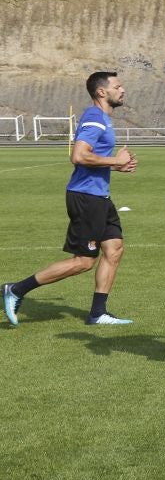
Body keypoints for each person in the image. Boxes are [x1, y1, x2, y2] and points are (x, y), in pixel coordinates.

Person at [3, 72, 138, 327]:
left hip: (100, 196)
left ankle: (98, 313)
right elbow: (78, 156)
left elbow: (92, 158)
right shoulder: (95, 117)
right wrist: (115, 161)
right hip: (87, 198)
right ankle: (16, 289)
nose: (123, 90)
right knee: (83, 262)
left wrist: (117, 167)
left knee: (114, 249)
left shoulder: (103, 119)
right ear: (101, 92)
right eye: (118, 86)